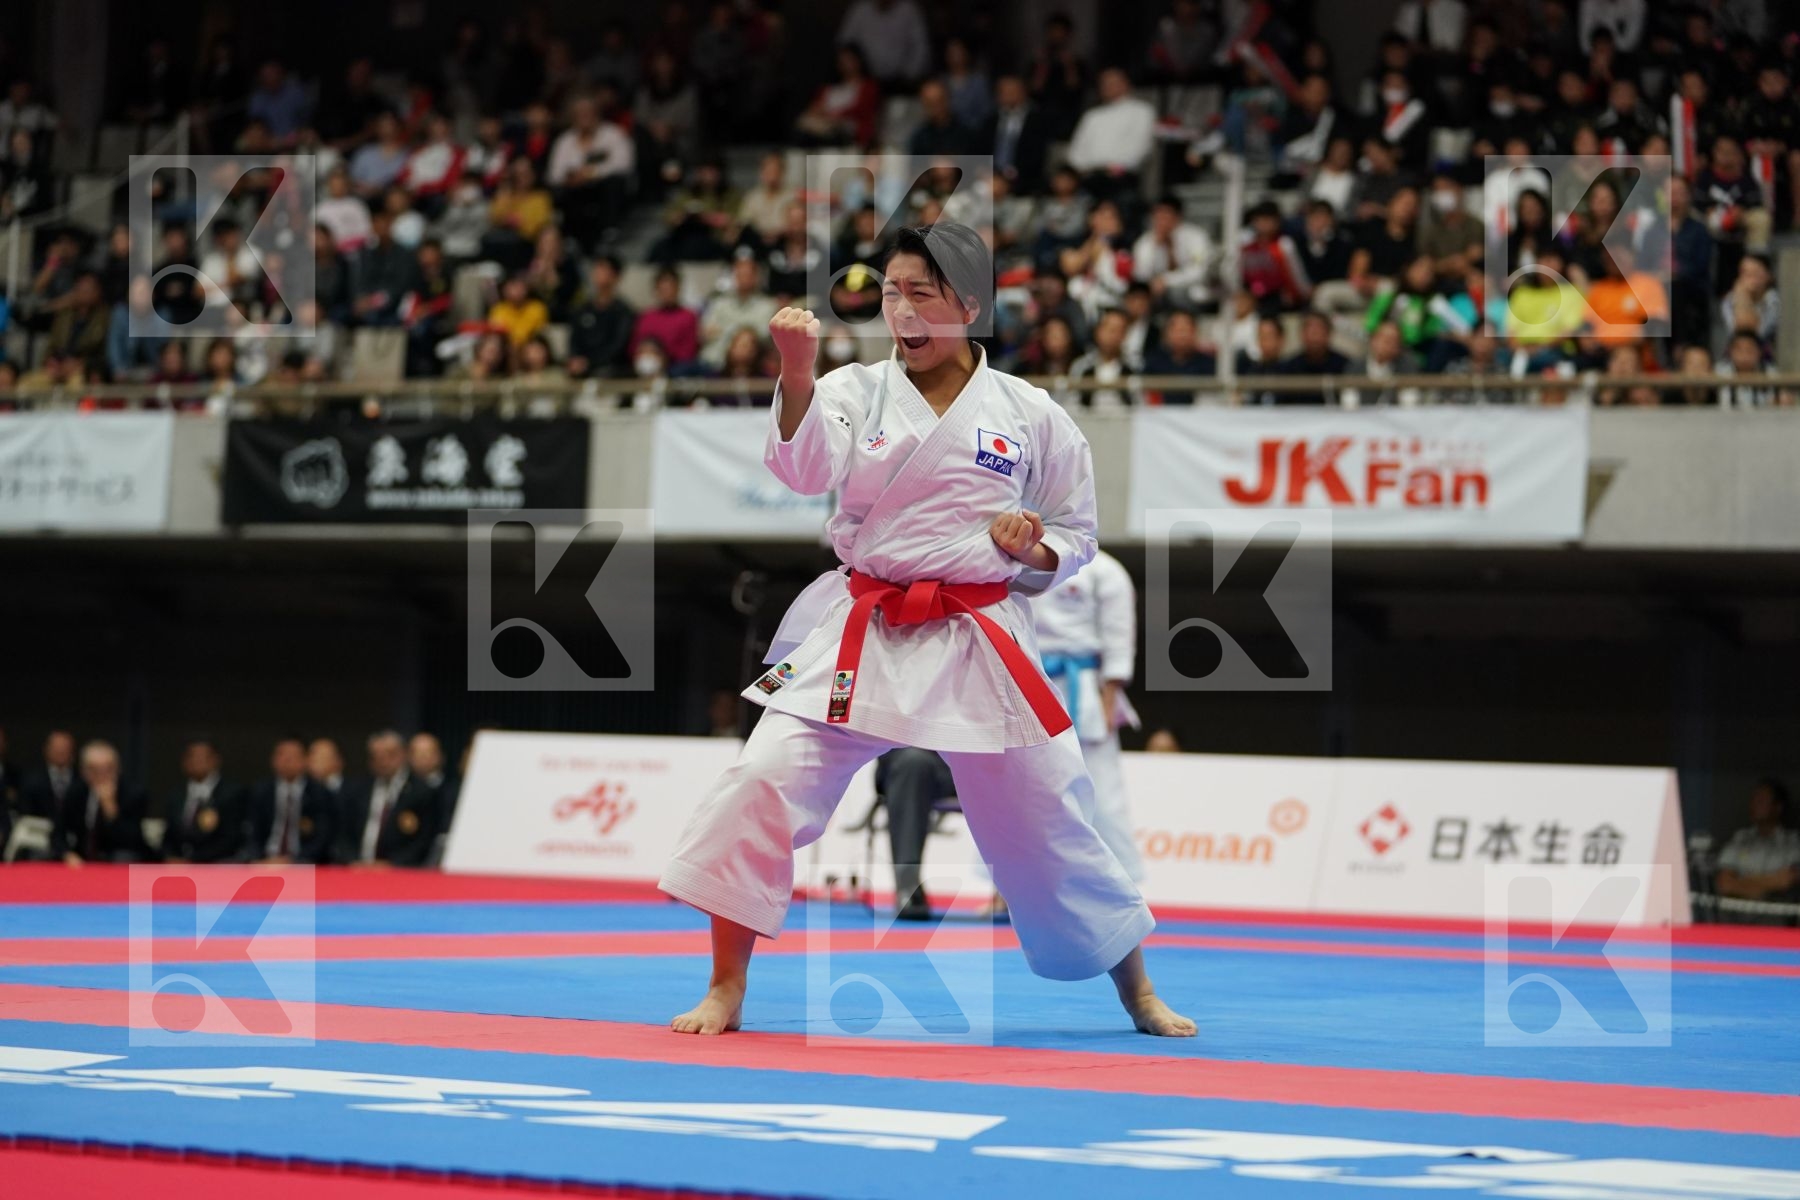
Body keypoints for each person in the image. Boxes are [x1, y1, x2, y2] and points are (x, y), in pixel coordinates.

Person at [657, 222, 1192, 1039]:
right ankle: (726, 986)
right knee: (759, 779)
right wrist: (796, 372)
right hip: (865, 625)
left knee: (1053, 815)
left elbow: (1077, 531)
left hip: (977, 629)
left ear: (970, 306)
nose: (901, 310)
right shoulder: (853, 389)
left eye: (922, 294)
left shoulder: (1030, 412)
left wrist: (1033, 543)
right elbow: (801, 468)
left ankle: (1137, 990)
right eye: (890, 293)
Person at [1032, 549, 1146, 884]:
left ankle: (1124, 885)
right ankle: (1009, 889)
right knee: (1023, 789)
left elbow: (1119, 639)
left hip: (1085, 690)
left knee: (1102, 791)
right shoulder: (1020, 561)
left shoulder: (1106, 571)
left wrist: (1111, 693)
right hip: (1030, 681)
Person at [335, 731, 438, 867]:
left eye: (390, 755)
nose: (383, 761)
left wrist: (392, 864)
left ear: (403, 755)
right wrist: (352, 861)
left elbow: (423, 841)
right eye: (376, 756)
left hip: (399, 872)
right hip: (358, 870)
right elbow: (343, 834)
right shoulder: (356, 790)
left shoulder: (421, 792)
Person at [56, 741, 149, 865]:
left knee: (123, 857)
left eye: (107, 769)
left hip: (117, 856)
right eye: (94, 769)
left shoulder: (133, 794)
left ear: (117, 769)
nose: (101, 775)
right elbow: (58, 832)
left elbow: (132, 840)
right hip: (82, 857)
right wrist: (67, 853)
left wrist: (110, 809)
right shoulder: (76, 792)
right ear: (83, 771)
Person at [248, 737, 338, 864]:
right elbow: (252, 832)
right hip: (265, 861)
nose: (286, 760)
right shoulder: (261, 791)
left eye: (293, 756)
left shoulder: (320, 794)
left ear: (306, 760)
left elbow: (322, 838)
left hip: (304, 863)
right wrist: (260, 858)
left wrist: (294, 862)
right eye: (281, 755)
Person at [1714, 779, 1800, 908]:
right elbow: (1724, 884)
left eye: (1761, 800)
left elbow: (1786, 881)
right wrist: (1769, 884)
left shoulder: (1792, 842)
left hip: (1776, 921)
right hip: (1737, 920)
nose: (1754, 804)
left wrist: (1741, 883)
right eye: (1753, 799)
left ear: (1777, 807)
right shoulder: (1740, 839)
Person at [162, 738, 249, 864]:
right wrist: (170, 856)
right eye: (191, 757)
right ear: (184, 762)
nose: (197, 761)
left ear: (216, 760)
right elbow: (169, 836)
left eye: (202, 757)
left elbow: (232, 839)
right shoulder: (176, 795)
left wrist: (194, 861)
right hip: (180, 864)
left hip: (218, 862)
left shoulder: (232, 793)